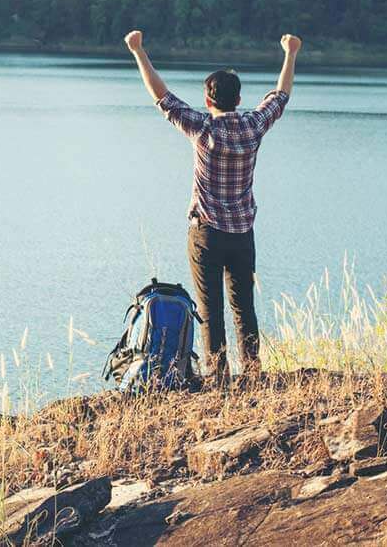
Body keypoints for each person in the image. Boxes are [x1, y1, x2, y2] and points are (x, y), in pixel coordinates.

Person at [124, 30, 301, 384]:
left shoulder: (203, 129)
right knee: (243, 307)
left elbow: (162, 96)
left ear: (208, 100)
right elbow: (280, 96)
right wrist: (290, 53)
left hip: (206, 233)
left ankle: (217, 377)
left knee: (210, 309)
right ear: (238, 99)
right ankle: (251, 373)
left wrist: (139, 51)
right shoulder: (252, 126)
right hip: (242, 234)